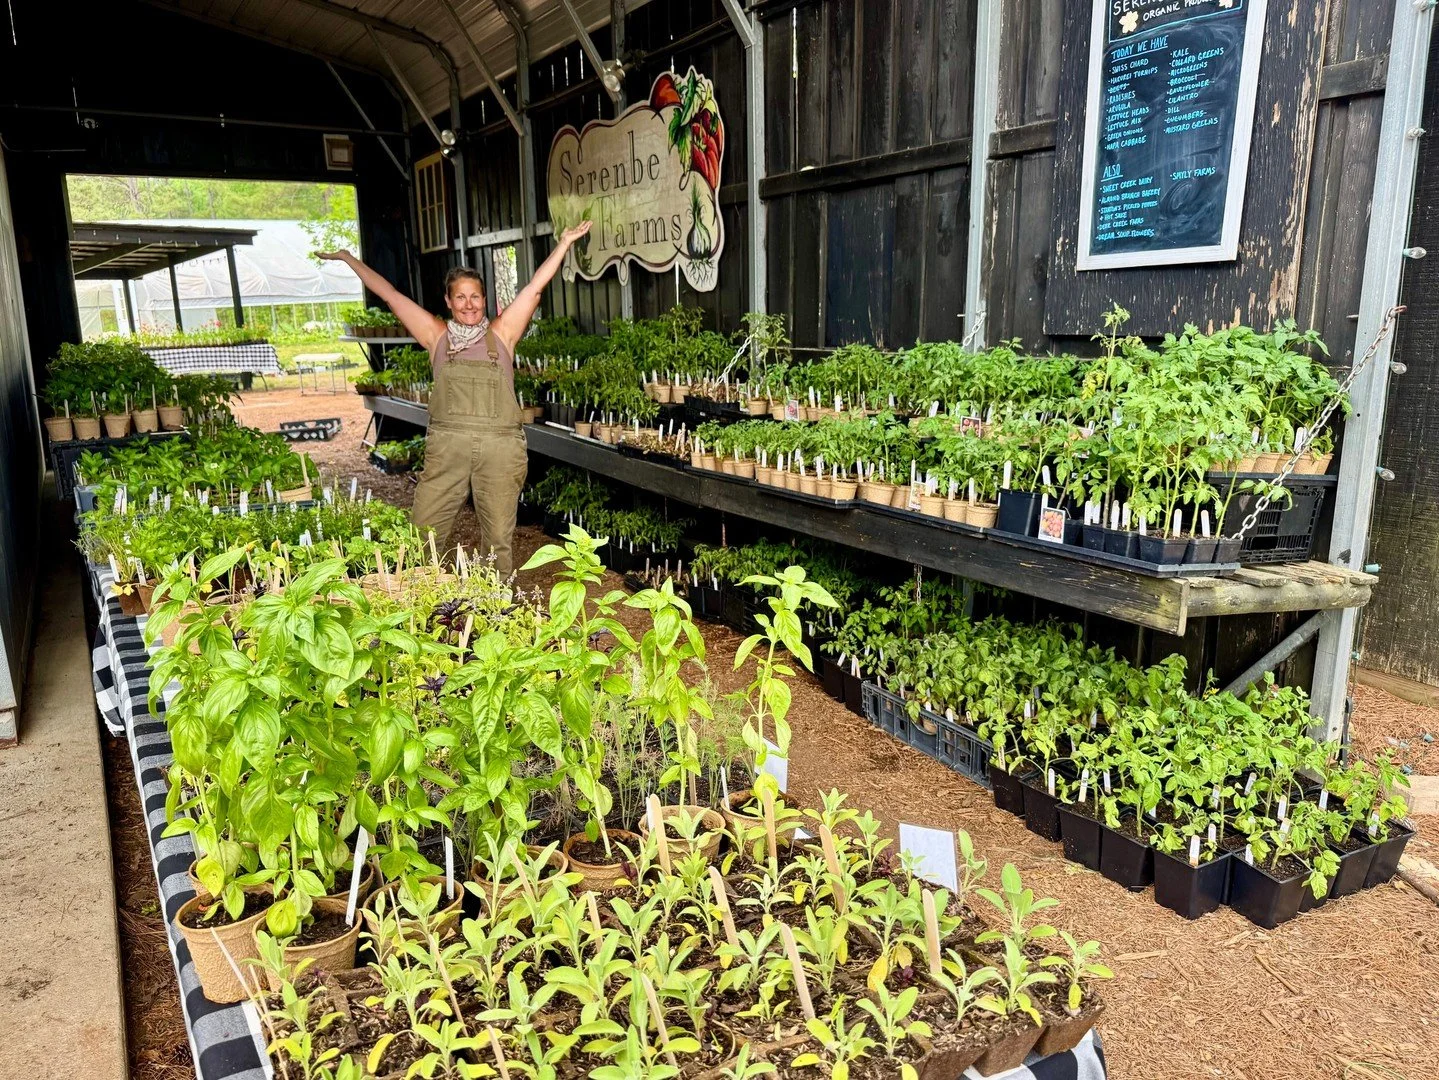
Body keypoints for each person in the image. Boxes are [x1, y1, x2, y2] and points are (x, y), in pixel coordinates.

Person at [319, 221, 592, 577]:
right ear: (448, 301)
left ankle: (495, 611)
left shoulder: (502, 335)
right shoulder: (436, 336)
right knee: (425, 533)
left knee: (498, 540)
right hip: (447, 451)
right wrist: (349, 259)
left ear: (485, 299)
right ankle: (433, 603)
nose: (468, 304)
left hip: (500, 451)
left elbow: (535, 288)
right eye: (460, 297)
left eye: (475, 296)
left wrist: (564, 244)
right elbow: (390, 295)